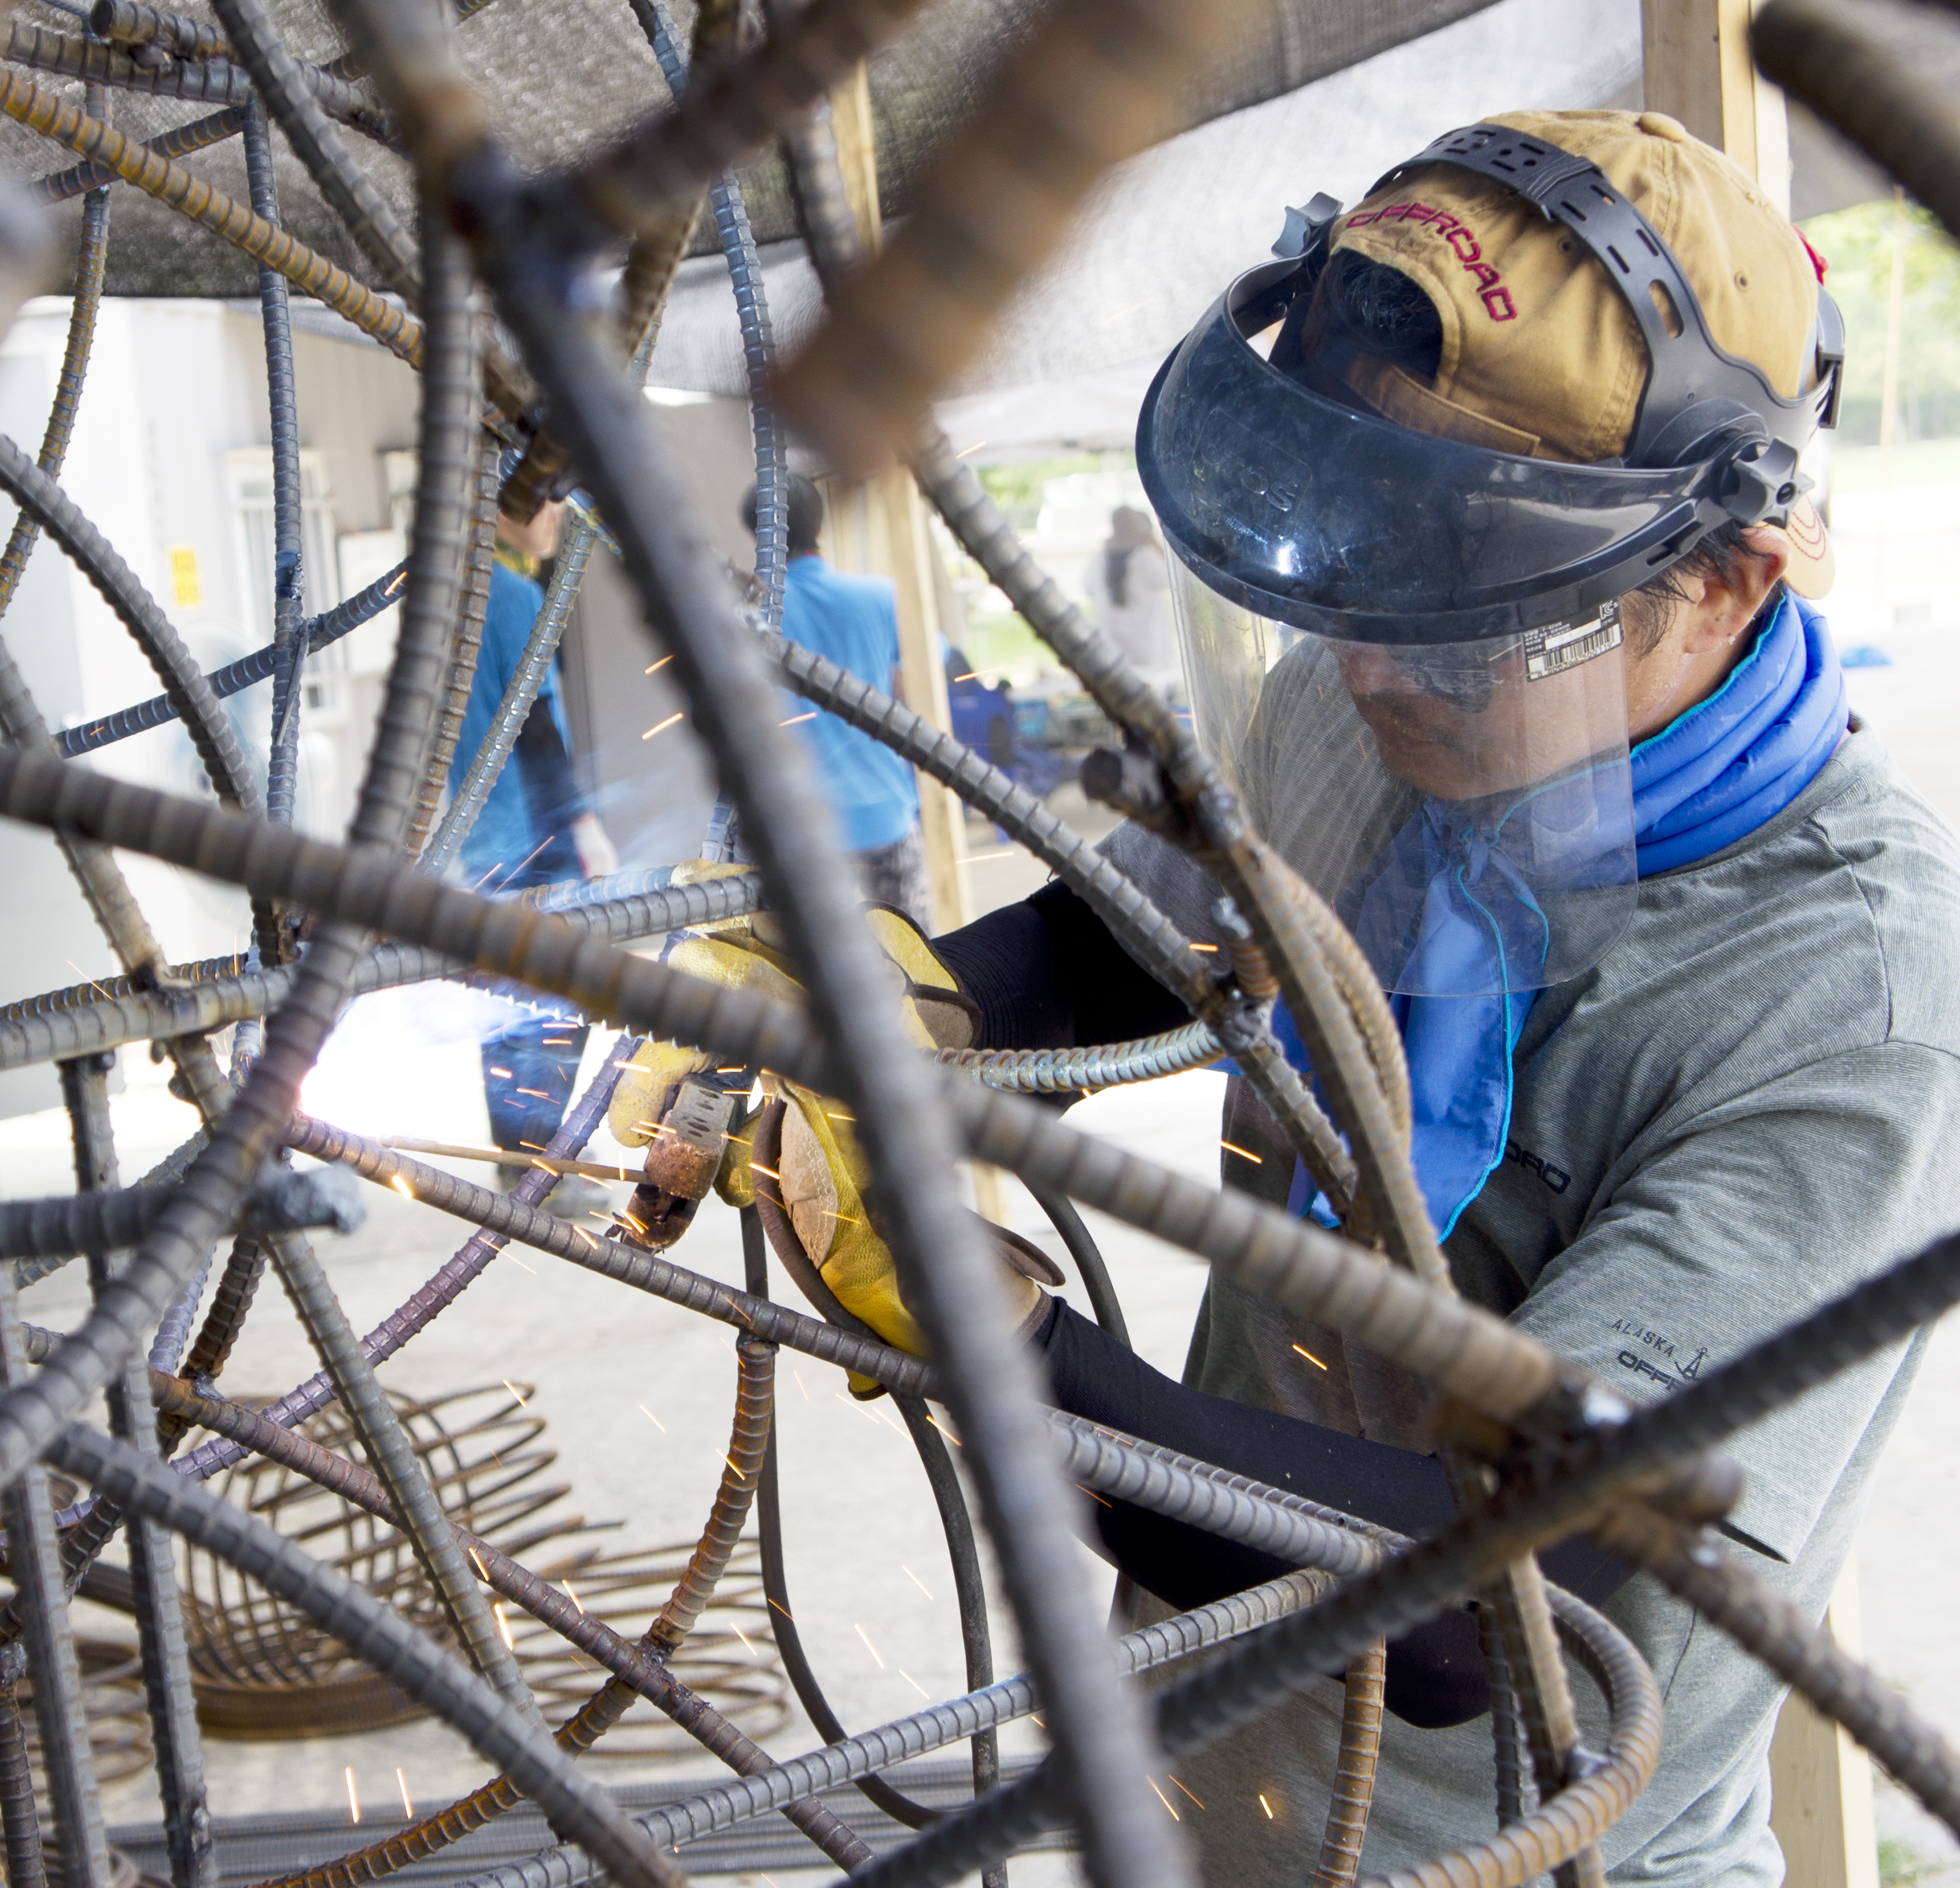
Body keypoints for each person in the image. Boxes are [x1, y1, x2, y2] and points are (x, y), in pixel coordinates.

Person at [652, 112, 1960, 1882]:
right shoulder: (1382, 707)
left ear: (1717, 577)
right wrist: (860, 1005)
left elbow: (1501, 1590)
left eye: (1452, 614)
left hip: (1519, 1845)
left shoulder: (1847, 1007)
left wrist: (1004, 1341)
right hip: (1207, 1777)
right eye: (1346, 566)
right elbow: (1161, 937)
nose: (1356, 663)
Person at [449, 497, 617, 1175]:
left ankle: (519, 1166)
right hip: (532, 833)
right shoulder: (513, 595)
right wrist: (586, 827)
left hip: (481, 839)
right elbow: (537, 727)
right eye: (544, 496)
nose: (558, 512)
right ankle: (540, 1169)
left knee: (508, 1001)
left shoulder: (454, 596)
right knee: (557, 1003)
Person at [747, 474, 933, 926]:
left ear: (757, 538)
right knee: (916, 964)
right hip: (884, 814)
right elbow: (925, 685)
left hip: (798, 830)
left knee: (806, 976)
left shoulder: (750, 619)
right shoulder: (880, 597)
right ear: (821, 528)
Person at [1085, 503, 1178, 695]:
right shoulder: (1145, 558)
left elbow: (1087, 589)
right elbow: (1174, 576)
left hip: (1115, 650)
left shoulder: (1099, 560)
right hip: (1150, 651)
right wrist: (1154, 544)